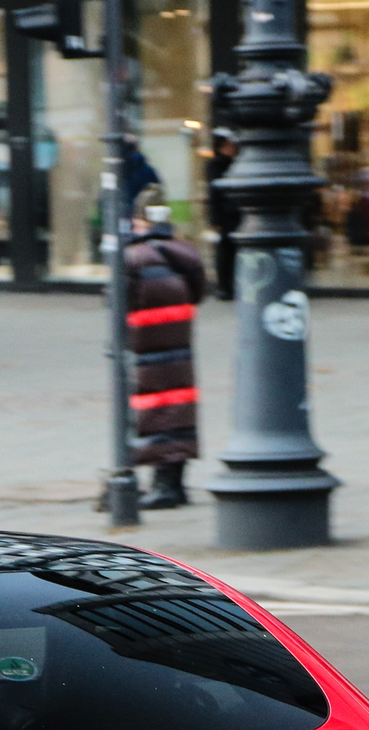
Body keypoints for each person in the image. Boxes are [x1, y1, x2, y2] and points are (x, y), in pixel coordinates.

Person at [122, 204, 206, 510]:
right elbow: (199, 290)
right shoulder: (185, 251)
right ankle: (175, 482)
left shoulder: (131, 256)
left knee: (155, 406)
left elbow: (119, 300)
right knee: (179, 403)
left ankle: (164, 487)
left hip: (146, 342)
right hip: (178, 338)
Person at [206, 132, 242, 301]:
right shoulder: (219, 166)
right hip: (227, 215)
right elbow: (215, 193)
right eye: (228, 145)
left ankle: (228, 286)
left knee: (229, 251)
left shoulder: (230, 164)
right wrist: (215, 218)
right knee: (226, 251)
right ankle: (226, 286)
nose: (232, 148)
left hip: (230, 214)